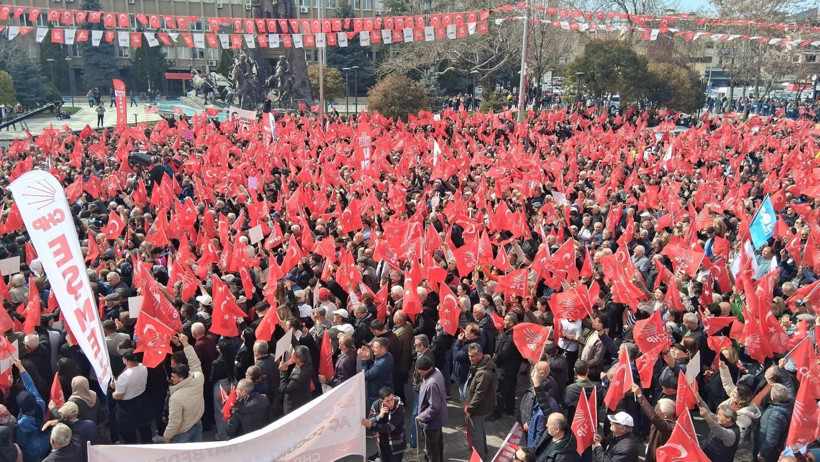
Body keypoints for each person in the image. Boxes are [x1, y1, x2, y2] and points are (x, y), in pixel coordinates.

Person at [164, 334, 205, 443]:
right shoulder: (198, 379)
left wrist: (167, 436)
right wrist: (185, 344)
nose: (171, 378)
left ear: (181, 378)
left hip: (183, 433)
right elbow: (194, 362)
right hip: (197, 423)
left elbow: (175, 421)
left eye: (173, 377)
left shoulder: (176, 398)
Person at [464, 342, 497, 461]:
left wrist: (470, 408)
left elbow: (479, 394)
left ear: (480, 355)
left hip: (478, 407)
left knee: (476, 433)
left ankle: (480, 457)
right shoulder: (481, 365)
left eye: (472, 356)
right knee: (479, 430)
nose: (470, 359)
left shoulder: (483, 373)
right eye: (469, 356)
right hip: (478, 405)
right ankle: (484, 451)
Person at [13, 359, 49, 462]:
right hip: (44, 444)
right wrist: (20, 367)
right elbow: (30, 385)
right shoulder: (40, 403)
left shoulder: (22, 423)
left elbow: (21, 443)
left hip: (31, 453)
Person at [490, 312, 523, 421]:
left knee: (501, 389)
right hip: (512, 366)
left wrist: (496, 358)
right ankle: (509, 408)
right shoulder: (510, 333)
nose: (504, 322)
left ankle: (497, 412)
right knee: (510, 388)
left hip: (507, 367)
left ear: (512, 323)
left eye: (506, 320)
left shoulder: (512, 336)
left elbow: (504, 352)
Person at [415, 355, 447, 462]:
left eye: (419, 370)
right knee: (438, 445)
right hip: (438, 419)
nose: (419, 372)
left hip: (431, 422)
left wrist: (421, 416)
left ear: (425, 369)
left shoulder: (431, 383)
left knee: (432, 450)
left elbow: (434, 407)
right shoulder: (436, 371)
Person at [361, 387, 406, 462]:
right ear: (382, 401)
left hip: (396, 443)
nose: (391, 403)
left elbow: (389, 427)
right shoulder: (376, 405)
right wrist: (380, 416)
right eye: (387, 401)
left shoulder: (399, 407)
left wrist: (371, 425)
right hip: (382, 444)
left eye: (392, 399)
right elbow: (370, 420)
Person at [631, 384, 674, 462]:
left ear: (665, 415)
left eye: (658, 410)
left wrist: (640, 395)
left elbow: (653, 416)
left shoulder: (667, 427)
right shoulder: (666, 424)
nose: (655, 412)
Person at [754, 384, 791, 462]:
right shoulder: (788, 405)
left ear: (773, 397)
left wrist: (762, 454)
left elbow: (772, 438)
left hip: (768, 451)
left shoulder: (775, 414)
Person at [360, 337, 394, 410]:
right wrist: (368, 359)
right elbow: (374, 367)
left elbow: (365, 375)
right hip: (382, 388)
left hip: (376, 394)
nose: (372, 349)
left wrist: (363, 361)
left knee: (374, 414)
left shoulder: (381, 364)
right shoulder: (388, 355)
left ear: (383, 349)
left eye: (375, 348)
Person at [279, 345, 313, 415]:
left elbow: (284, 388)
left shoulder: (299, 376)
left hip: (294, 404)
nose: (293, 355)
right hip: (303, 396)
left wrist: (282, 371)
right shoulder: (307, 361)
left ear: (299, 359)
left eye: (294, 354)